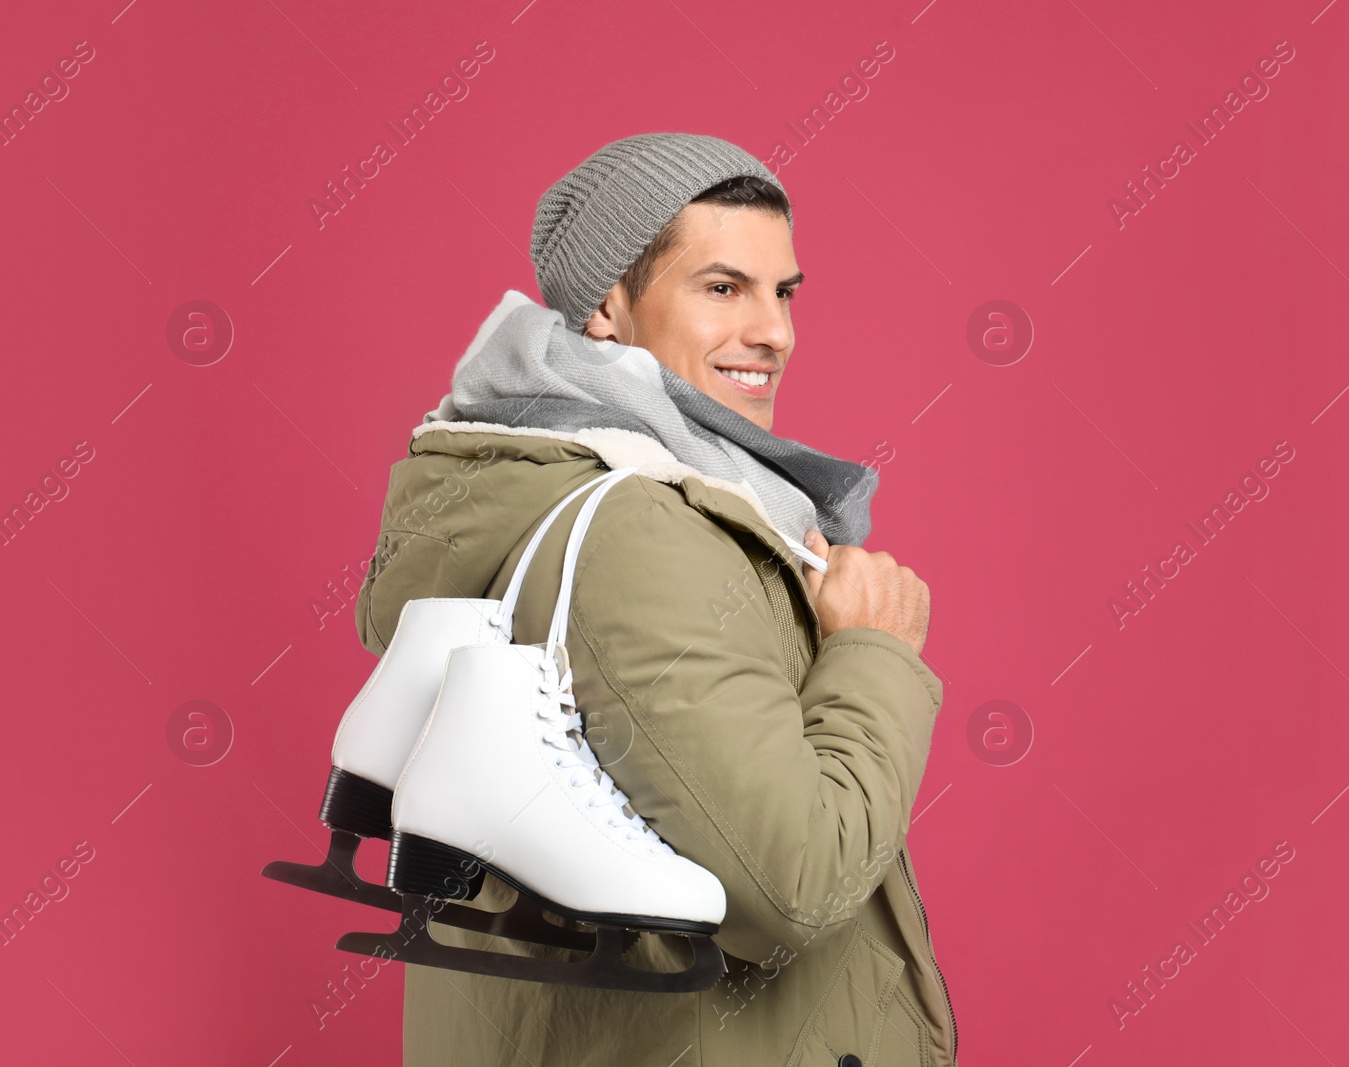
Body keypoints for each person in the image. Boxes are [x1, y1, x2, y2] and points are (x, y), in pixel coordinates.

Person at [354, 132, 956, 1066]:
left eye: (783, 290)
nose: (775, 331)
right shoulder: (637, 526)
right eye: (722, 288)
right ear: (607, 303)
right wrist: (873, 652)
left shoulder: (546, 485)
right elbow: (791, 886)